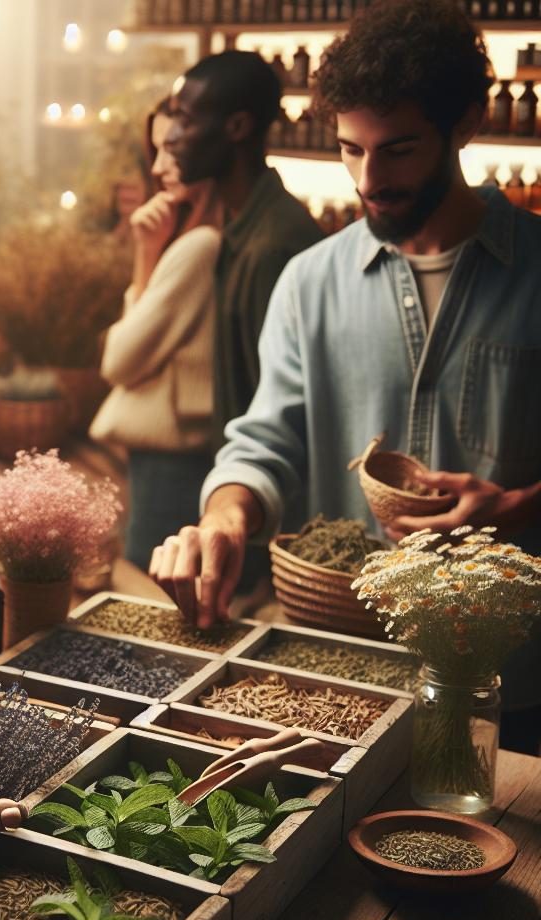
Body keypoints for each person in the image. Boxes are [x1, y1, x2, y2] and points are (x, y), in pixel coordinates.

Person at [150, 0, 541, 750]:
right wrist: (226, 516)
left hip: (510, 680)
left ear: (466, 122)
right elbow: (264, 441)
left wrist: (519, 504)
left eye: (397, 150)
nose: (370, 179)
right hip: (346, 672)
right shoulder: (309, 281)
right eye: (350, 151)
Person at [90, 96, 224, 569]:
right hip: (177, 454)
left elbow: (119, 359)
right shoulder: (200, 235)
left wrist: (146, 254)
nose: (162, 165)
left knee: (151, 590)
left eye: (174, 148)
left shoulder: (201, 246)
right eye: (156, 150)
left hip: (175, 460)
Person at [164, 50, 323, 446]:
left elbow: (279, 414)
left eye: (185, 119)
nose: (170, 138)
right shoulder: (244, 228)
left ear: (237, 127)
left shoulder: (273, 245)